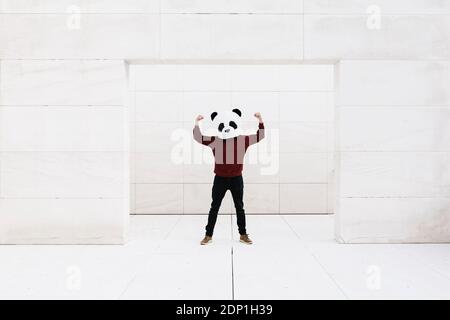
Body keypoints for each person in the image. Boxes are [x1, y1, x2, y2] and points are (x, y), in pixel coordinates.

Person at [193, 111, 265, 245]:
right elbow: (199, 137)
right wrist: (197, 122)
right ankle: (208, 235)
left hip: (236, 178)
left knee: (239, 207)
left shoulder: (243, 139)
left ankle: (243, 234)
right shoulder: (216, 140)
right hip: (220, 179)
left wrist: (260, 120)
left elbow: (260, 135)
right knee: (214, 207)